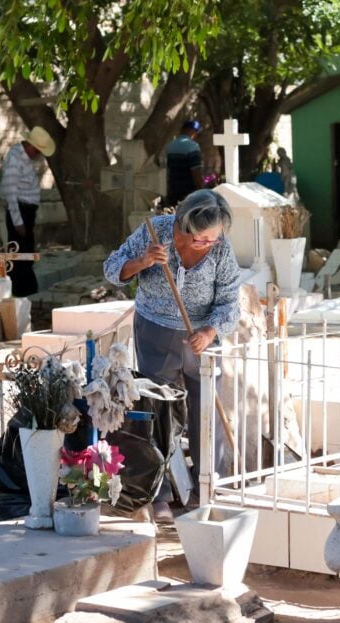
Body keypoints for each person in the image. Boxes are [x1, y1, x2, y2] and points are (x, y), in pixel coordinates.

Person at [103, 190, 240, 523]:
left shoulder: (220, 251)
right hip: (156, 332)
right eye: (201, 239)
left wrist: (210, 332)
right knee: (157, 413)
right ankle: (160, 492)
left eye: (214, 239)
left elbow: (230, 303)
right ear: (183, 225)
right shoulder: (157, 232)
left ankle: (207, 489)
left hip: (201, 338)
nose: (209, 244)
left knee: (205, 412)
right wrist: (143, 262)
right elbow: (111, 269)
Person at [1, 126, 55, 296]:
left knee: (26, 252)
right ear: (32, 147)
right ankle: (21, 291)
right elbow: (10, 191)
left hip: (27, 211)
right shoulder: (15, 159)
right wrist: (18, 221)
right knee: (20, 254)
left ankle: (24, 290)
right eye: (39, 151)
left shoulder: (24, 158)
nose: (39, 155)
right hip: (20, 212)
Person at [164, 120, 204, 207]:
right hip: (189, 193)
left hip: (173, 192)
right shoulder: (193, 146)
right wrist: (202, 191)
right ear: (192, 131)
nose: (197, 135)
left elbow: (167, 172)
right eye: (197, 132)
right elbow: (196, 171)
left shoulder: (170, 146)